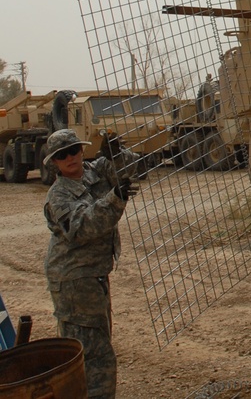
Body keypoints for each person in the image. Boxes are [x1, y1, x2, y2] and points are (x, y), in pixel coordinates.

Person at [42, 128, 138, 399]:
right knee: (94, 358)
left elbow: (134, 170)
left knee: (97, 347)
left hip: (93, 277)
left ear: (82, 150)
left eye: (74, 150)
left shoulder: (96, 170)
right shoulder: (58, 196)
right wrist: (115, 197)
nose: (71, 158)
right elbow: (81, 227)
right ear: (55, 162)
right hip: (73, 281)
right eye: (63, 155)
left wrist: (117, 155)